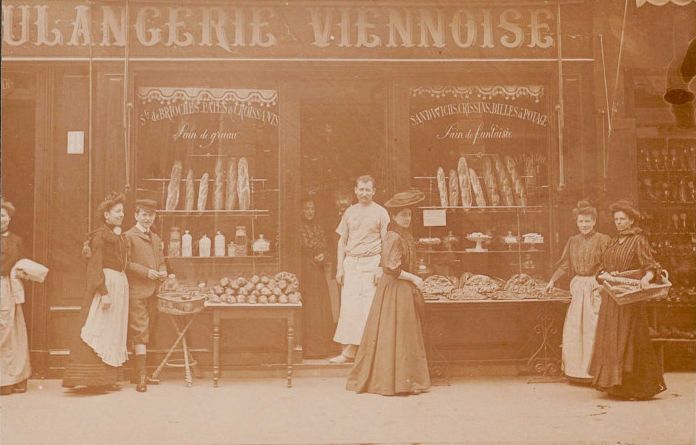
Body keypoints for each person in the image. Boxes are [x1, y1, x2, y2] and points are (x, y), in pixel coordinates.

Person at [346, 189, 431, 396]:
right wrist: (415, 278)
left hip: (401, 288)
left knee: (402, 334)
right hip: (395, 288)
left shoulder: (404, 234)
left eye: (409, 214)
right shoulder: (393, 235)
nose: (407, 218)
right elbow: (392, 268)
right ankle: (394, 381)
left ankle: (405, 379)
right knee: (395, 333)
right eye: (403, 215)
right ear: (394, 216)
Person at [589, 200, 667, 400]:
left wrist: (646, 279)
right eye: (616, 219)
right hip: (613, 296)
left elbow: (650, 265)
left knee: (630, 339)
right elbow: (602, 265)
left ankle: (636, 388)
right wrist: (605, 274)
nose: (619, 222)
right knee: (612, 340)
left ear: (631, 220)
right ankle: (615, 386)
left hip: (630, 297)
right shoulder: (613, 241)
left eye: (622, 219)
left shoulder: (638, 240)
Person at [63, 192, 130, 390]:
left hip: (118, 284)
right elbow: (95, 266)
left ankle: (107, 379)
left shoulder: (118, 235)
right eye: (117, 211)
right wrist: (104, 291)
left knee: (112, 331)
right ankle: (91, 378)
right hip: (106, 285)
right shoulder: (100, 236)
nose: (121, 214)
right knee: (98, 328)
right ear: (106, 215)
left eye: (122, 211)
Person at [545, 200, 611, 382]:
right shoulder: (573, 241)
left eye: (587, 221)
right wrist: (553, 280)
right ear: (576, 222)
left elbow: (609, 264)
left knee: (593, 327)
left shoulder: (603, 240)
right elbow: (565, 264)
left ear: (594, 221)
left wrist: (601, 282)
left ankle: (594, 374)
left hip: (595, 286)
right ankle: (575, 372)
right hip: (578, 287)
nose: (584, 225)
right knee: (574, 328)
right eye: (581, 221)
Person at [330, 175, 390, 364]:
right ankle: (349, 352)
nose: (364, 193)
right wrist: (340, 268)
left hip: (372, 263)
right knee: (350, 308)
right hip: (351, 264)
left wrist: (381, 268)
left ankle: (369, 354)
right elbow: (342, 241)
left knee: (369, 308)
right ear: (355, 191)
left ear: (374, 191)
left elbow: (386, 242)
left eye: (368, 189)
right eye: (361, 189)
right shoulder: (349, 212)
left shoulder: (381, 213)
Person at [124, 198, 167, 392]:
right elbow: (126, 263)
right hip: (137, 292)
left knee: (147, 330)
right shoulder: (128, 236)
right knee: (140, 331)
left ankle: (139, 373)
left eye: (151, 215)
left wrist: (163, 270)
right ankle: (141, 377)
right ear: (136, 215)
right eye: (144, 215)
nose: (147, 218)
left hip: (154, 292)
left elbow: (161, 261)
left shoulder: (156, 239)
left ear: (155, 216)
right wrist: (146, 272)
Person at [299, 197, 337, 358]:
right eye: (306, 208)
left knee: (321, 308)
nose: (309, 212)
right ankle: (310, 350)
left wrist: (324, 256)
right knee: (310, 308)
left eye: (312, 209)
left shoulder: (318, 226)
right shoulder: (297, 228)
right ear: (301, 210)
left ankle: (323, 348)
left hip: (318, 272)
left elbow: (327, 247)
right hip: (304, 270)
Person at [0, 198, 31, 395]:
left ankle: (13, 376)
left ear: (9, 218)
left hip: (8, 287)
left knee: (11, 331)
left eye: (3, 216)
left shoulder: (16, 240)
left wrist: (22, 273)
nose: (0, 220)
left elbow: (21, 264)